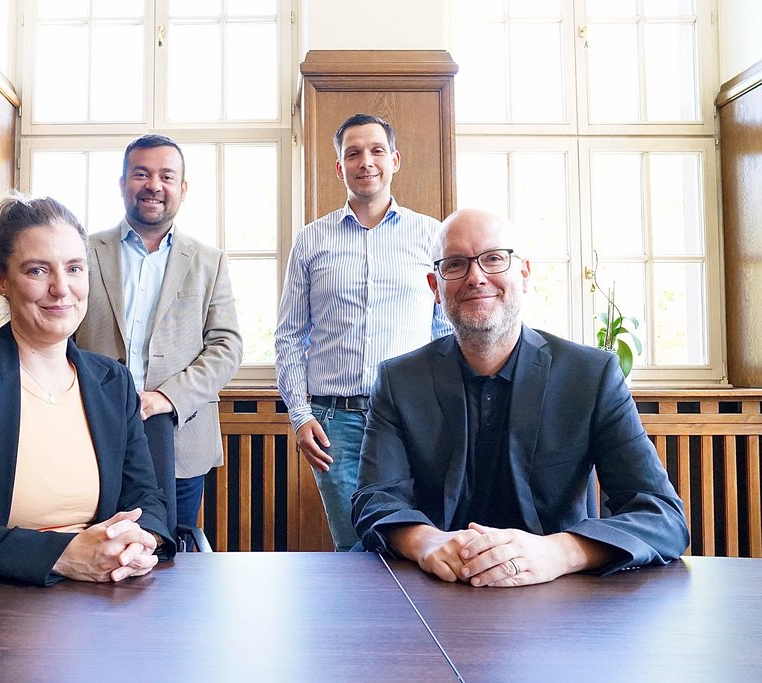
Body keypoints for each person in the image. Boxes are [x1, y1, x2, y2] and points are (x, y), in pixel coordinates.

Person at [352, 208, 689, 586]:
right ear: (435, 287)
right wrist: (425, 541)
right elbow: (374, 499)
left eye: (494, 258)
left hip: (559, 593)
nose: (476, 277)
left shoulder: (591, 376)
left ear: (524, 274)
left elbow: (662, 517)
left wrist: (560, 551)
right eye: (456, 264)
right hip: (433, 587)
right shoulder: (399, 380)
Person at [0, 194, 175, 587]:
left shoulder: (112, 381)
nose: (61, 288)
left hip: (105, 591)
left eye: (74, 268)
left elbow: (146, 499)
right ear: (1, 279)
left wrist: (141, 542)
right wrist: (63, 555)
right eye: (38, 270)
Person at [275, 113, 452, 551]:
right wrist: (300, 415)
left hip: (413, 417)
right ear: (340, 168)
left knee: (414, 540)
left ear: (394, 160)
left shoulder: (431, 236)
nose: (366, 162)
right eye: (353, 153)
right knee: (356, 547)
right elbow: (289, 336)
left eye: (376, 151)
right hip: (335, 423)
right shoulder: (311, 240)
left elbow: (445, 332)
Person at [75, 135, 242, 529]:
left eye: (166, 176)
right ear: (122, 183)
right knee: (93, 545)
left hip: (180, 437)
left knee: (170, 548)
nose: (154, 185)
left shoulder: (209, 261)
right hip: (91, 430)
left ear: (182, 188)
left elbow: (227, 345)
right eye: (141, 174)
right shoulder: (82, 252)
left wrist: (168, 397)